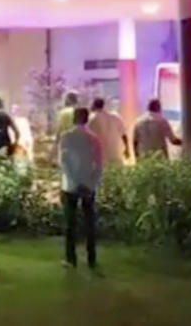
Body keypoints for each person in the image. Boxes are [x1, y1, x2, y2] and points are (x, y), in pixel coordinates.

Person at [58, 107, 103, 269]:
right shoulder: (94, 139)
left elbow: (64, 162)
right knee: (89, 222)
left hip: (70, 185)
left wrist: (74, 181)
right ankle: (91, 257)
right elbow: (98, 164)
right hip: (88, 185)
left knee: (70, 223)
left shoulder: (66, 137)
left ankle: (71, 258)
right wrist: (90, 183)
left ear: (74, 118)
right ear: (87, 119)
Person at [88, 97, 129, 165]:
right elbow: (124, 135)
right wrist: (127, 149)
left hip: (101, 156)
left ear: (93, 105)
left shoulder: (92, 118)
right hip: (116, 154)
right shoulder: (115, 116)